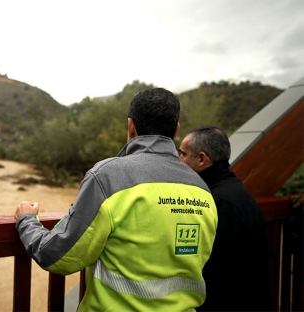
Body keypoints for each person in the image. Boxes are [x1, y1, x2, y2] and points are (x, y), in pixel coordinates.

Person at [14, 88, 218, 311]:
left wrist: (27, 220)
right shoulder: (202, 189)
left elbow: (56, 255)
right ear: (176, 130)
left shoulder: (108, 177)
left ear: (131, 127)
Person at [179, 125, 271, 311]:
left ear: (202, 159)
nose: (178, 160)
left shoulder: (218, 202)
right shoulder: (234, 192)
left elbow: (215, 272)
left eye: (182, 154)